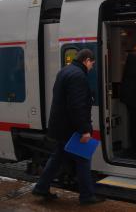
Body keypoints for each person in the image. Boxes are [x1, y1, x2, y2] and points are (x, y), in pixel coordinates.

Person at [32, 49, 104, 205]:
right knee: (83, 159)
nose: (92, 66)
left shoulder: (65, 71)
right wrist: (84, 130)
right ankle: (87, 196)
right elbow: (76, 106)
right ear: (86, 60)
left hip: (60, 127)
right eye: (92, 63)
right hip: (71, 128)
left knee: (57, 158)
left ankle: (41, 187)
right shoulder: (78, 76)